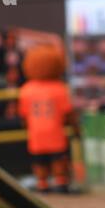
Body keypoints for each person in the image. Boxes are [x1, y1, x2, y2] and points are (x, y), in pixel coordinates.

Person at [18, 45, 80, 194]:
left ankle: (42, 184)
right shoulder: (60, 88)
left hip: (36, 136)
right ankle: (61, 183)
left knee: (39, 162)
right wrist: (75, 128)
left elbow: (23, 115)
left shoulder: (26, 89)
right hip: (55, 134)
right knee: (59, 160)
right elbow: (68, 113)